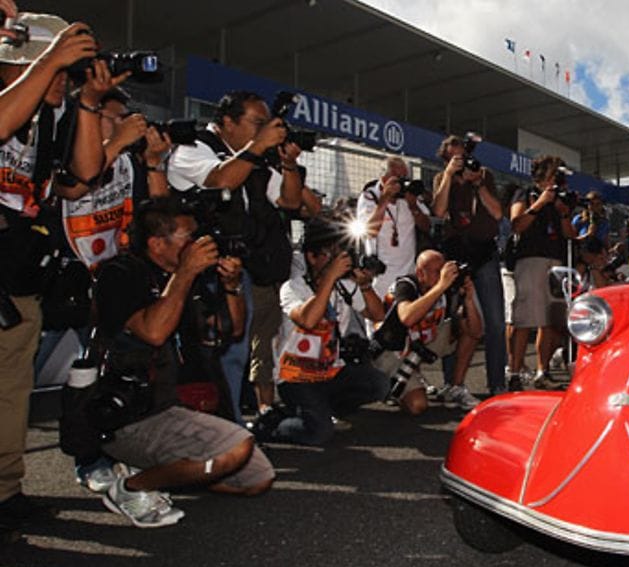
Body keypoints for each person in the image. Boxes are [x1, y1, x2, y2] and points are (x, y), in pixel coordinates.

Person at [0, 11, 123, 538]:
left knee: (11, 391)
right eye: (59, 70)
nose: (65, 81)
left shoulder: (54, 115)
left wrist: (89, 103)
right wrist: (49, 61)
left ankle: (5, 492)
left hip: (17, 272)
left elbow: (82, 178)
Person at [90, 197, 273, 527]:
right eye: (189, 237)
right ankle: (130, 489)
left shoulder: (189, 278)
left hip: (182, 406)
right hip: (135, 414)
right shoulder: (120, 274)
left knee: (256, 479)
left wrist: (231, 288)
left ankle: (161, 471)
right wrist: (186, 271)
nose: (198, 244)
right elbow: (154, 332)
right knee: (234, 449)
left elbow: (229, 331)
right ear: (157, 243)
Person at [168, 91, 303, 419]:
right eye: (257, 122)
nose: (264, 129)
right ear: (227, 122)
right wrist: (259, 145)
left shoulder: (252, 158)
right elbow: (220, 179)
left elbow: (290, 201)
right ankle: (204, 426)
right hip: (192, 271)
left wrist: (288, 164)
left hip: (234, 267)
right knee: (202, 352)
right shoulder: (192, 147)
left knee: (234, 351)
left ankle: (230, 424)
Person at [35, 87, 172, 379]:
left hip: (110, 282)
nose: (127, 124)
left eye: (127, 118)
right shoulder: (62, 153)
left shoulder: (127, 163)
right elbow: (75, 185)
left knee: (106, 374)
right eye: (116, 118)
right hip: (62, 281)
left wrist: (154, 162)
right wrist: (118, 139)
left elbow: (160, 216)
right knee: (26, 367)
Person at [249, 217, 402, 445]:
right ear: (312, 257)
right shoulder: (293, 288)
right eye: (332, 254)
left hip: (331, 372)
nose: (340, 260)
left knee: (378, 384)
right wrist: (329, 277)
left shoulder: (345, 286)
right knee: (319, 434)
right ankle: (272, 424)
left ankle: (323, 410)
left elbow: (378, 315)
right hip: (296, 377)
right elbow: (309, 320)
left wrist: (364, 285)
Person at [432, 135, 506, 395]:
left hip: (484, 252)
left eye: (463, 156)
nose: (461, 161)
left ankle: (497, 383)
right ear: (446, 160)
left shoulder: (483, 175)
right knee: (456, 320)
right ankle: (452, 383)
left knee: (495, 321)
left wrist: (478, 185)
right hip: (456, 254)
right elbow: (439, 212)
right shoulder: (442, 179)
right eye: (454, 158)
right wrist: (449, 176)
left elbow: (497, 213)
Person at [375, 249, 481, 410]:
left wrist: (469, 299)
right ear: (420, 273)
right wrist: (441, 286)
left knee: (467, 330)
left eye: (443, 270)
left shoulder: (448, 288)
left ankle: (456, 387)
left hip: (423, 343)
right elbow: (407, 317)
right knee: (417, 405)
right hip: (394, 350)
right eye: (437, 272)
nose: (442, 276)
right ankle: (388, 383)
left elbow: (476, 332)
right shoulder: (406, 285)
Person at [507, 156, 575, 390]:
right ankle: (514, 372)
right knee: (525, 319)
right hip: (531, 259)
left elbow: (570, 234)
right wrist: (539, 203)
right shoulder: (525, 194)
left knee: (549, 321)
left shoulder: (559, 199)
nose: (557, 178)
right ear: (543, 175)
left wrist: (563, 213)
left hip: (555, 261)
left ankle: (542, 371)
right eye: (555, 173)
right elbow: (517, 224)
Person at [356, 156, 431, 301]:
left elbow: (426, 226)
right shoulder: (370, 196)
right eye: (398, 178)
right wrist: (385, 199)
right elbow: (370, 232)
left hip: (408, 273)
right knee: (379, 313)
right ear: (384, 178)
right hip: (381, 274)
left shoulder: (410, 195)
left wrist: (413, 206)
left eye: (405, 177)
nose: (402, 183)